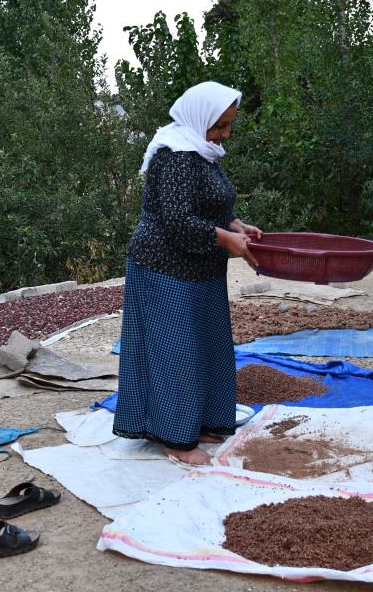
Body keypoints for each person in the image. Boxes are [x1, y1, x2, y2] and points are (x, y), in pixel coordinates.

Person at [112, 81, 262, 466]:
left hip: (201, 267)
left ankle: (202, 421)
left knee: (206, 347)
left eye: (229, 125)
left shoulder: (203, 151)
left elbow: (210, 203)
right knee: (174, 352)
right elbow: (178, 221)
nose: (225, 134)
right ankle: (175, 437)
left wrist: (237, 226)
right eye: (220, 125)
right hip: (165, 266)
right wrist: (226, 240)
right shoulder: (176, 154)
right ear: (199, 118)